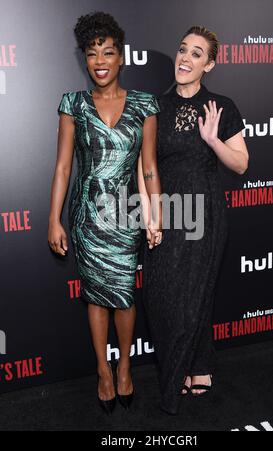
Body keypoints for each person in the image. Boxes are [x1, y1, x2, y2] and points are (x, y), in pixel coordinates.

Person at [48, 11, 162, 415]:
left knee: (124, 296)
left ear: (120, 57)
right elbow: (63, 167)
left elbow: (147, 167)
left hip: (126, 215)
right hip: (88, 217)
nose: (100, 61)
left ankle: (126, 366)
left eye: (108, 52)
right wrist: (53, 218)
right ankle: (103, 371)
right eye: (92, 53)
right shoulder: (73, 104)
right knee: (97, 297)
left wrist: (155, 215)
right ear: (85, 58)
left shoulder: (145, 104)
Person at [143, 26, 249, 415]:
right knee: (160, 295)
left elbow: (241, 164)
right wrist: (150, 216)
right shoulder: (153, 106)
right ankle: (188, 363)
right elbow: (145, 164)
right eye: (183, 49)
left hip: (204, 208)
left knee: (195, 293)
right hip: (166, 208)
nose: (186, 58)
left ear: (210, 64)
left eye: (197, 53)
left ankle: (195, 368)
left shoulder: (220, 106)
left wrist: (212, 140)